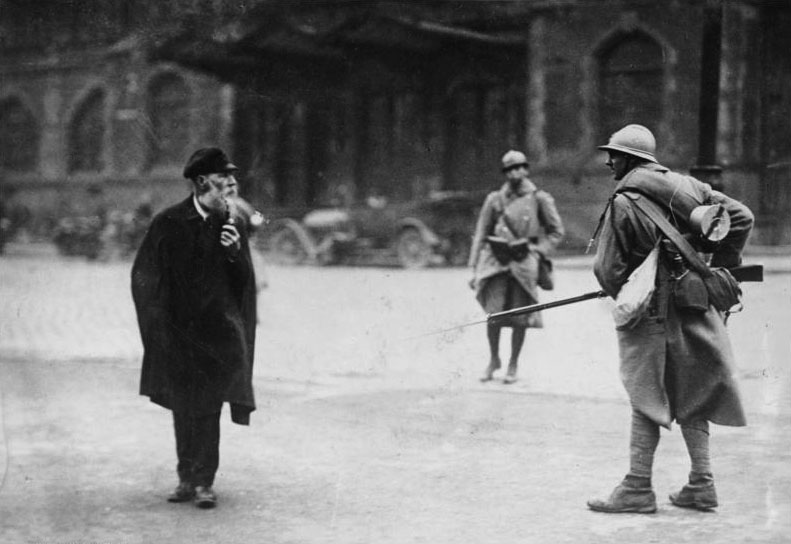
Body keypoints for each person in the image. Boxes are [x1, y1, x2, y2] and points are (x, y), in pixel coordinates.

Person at [587, 124, 754, 514]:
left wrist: (630, 289)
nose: (609, 160)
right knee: (694, 390)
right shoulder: (690, 188)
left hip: (652, 312)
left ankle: (637, 488)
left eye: (614, 154)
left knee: (645, 392)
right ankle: (702, 485)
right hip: (697, 301)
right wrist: (716, 267)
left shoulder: (624, 200)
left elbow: (606, 269)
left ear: (631, 159)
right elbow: (741, 218)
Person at [131, 147, 258, 509]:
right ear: (203, 182)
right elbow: (143, 275)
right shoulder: (168, 223)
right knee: (184, 408)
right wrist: (156, 322)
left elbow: (243, 285)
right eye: (225, 183)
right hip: (177, 334)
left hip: (216, 334)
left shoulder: (232, 223)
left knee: (208, 409)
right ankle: (185, 477)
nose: (233, 188)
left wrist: (235, 255)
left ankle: (204, 481)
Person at [468, 150, 564, 384]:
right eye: (509, 169)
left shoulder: (539, 198)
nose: (514, 173)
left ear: (526, 169)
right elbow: (481, 233)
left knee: (520, 316)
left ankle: (512, 364)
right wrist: (474, 268)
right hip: (496, 259)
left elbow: (556, 232)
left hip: (524, 261)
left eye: (518, 167)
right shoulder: (494, 200)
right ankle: (493, 360)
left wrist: (538, 250)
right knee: (494, 313)